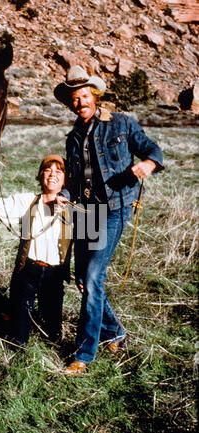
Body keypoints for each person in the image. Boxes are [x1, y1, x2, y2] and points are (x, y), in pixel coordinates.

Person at [54, 65, 164, 375]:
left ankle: (85, 352)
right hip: (86, 211)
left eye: (85, 96)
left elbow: (152, 149)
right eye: (75, 98)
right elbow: (74, 179)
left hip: (115, 208)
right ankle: (114, 331)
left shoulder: (121, 123)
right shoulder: (73, 137)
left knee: (92, 278)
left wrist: (148, 164)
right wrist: (64, 192)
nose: (80, 102)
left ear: (95, 95)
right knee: (82, 279)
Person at [0, 155, 72, 346]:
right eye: (48, 170)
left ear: (66, 179)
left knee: (54, 337)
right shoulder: (27, 201)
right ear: (41, 175)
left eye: (59, 171)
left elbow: (93, 237)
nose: (52, 175)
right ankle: (15, 317)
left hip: (54, 277)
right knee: (19, 340)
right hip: (27, 273)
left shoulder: (73, 208)